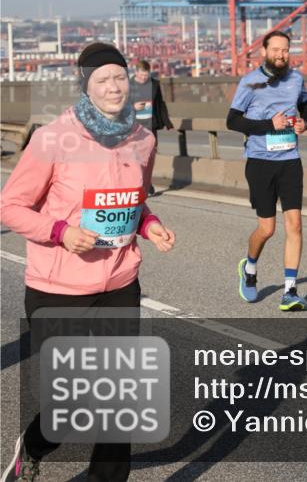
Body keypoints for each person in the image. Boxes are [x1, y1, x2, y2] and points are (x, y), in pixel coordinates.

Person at [1, 42, 176, 482]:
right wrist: (61, 232)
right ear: (86, 85)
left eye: (119, 77)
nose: (114, 87)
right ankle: (36, 445)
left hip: (119, 282)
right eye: (103, 79)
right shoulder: (53, 139)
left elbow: (136, 200)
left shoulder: (143, 139)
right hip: (57, 288)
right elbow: (11, 207)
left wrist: (149, 225)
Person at [226, 30, 307, 312]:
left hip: (290, 160)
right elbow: (233, 121)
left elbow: (306, 105)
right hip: (261, 162)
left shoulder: (296, 79)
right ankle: (249, 268)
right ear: (264, 52)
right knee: (267, 228)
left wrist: (305, 123)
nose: (281, 55)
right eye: (275, 50)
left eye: (285, 50)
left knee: (295, 225)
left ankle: (290, 291)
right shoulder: (250, 83)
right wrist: (267, 126)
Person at [129, 60, 173, 195]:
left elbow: (160, 104)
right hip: (134, 127)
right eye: (142, 75)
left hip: (150, 126)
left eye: (146, 75)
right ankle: (139, 183)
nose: (144, 78)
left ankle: (147, 183)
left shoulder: (154, 84)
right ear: (136, 72)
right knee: (136, 157)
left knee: (149, 156)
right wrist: (133, 108)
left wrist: (167, 122)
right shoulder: (128, 86)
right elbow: (120, 105)